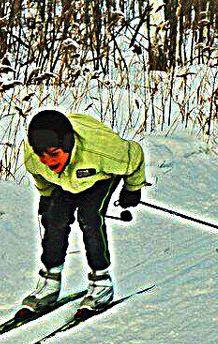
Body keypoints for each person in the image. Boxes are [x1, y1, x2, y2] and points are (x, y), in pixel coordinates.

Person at [21, 110, 147, 313]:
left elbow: (135, 155)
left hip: (99, 176)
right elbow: (41, 176)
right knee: (54, 218)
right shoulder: (34, 158)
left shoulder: (103, 151)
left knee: (89, 217)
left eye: (54, 154)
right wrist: (46, 197)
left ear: (68, 144)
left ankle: (101, 282)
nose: (48, 161)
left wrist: (133, 188)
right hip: (66, 181)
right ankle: (50, 282)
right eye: (42, 156)